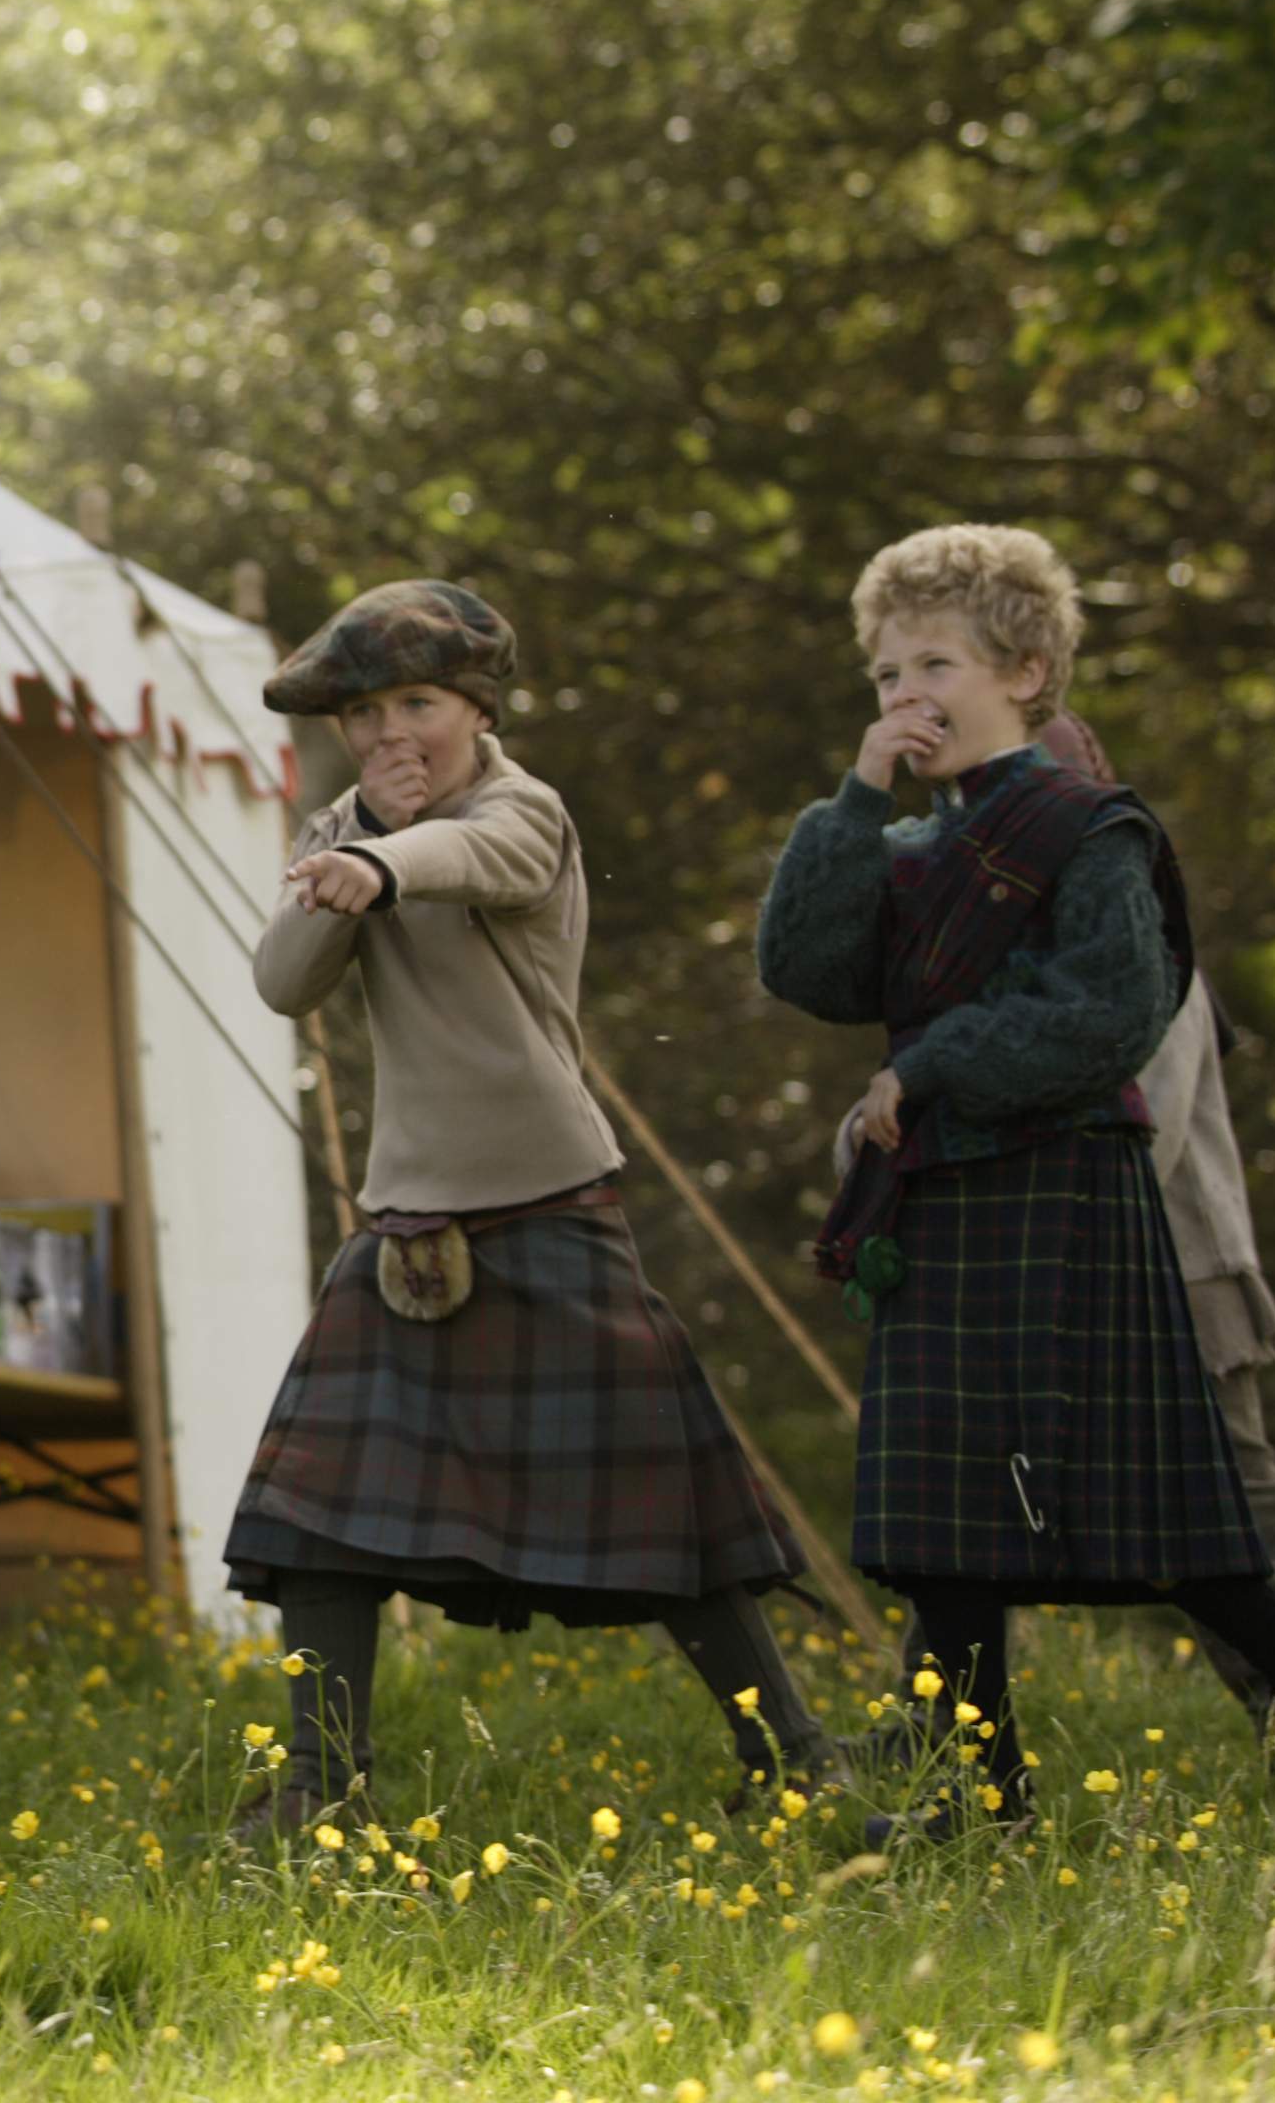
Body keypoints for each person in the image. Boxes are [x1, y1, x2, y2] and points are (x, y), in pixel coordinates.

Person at [755, 524, 1275, 1833]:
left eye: (936, 662)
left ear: (1029, 672)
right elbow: (806, 969)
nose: (905, 692)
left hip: (1069, 1202)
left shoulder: (1094, 829)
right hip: (948, 1210)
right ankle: (982, 1797)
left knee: (1162, 1528)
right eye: (883, 675)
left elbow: (1110, 1009)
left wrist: (931, 1070)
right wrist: (858, 801)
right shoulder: (915, 850)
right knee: (943, 1530)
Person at [228, 578, 832, 1837]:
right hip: (404, 1219)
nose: (391, 732)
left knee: (669, 1513)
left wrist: (373, 861)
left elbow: (471, 860)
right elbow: (284, 981)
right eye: (364, 712)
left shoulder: (521, 806)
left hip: (550, 1203)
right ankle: (320, 1792)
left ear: (475, 706)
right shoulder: (341, 824)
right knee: (312, 1517)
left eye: (419, 702)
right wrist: (336, 866)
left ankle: (797, 1761)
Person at [835, 708, 1275, 1743]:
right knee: (964, 1495)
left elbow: (1122, 1129)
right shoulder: (999, 954)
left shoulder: (1142, 956)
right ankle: (938, 1731)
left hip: (1169, 1268)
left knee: (1227, 1512)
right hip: (1051, 1262)